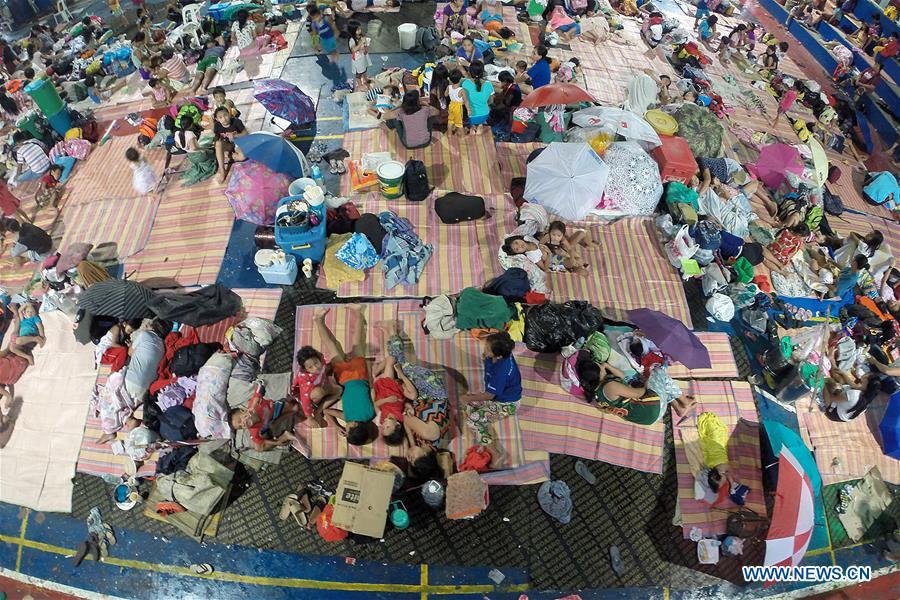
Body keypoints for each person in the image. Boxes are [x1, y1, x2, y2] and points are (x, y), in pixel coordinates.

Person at [315, 306, 378, 446]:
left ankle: (355, 313)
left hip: (356, 377)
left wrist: (336, 426)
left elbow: (326, 410)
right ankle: (320, 320)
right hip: (352, 377)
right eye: (348, 430)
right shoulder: (352, 417)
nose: (346, 428)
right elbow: (328, 411)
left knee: (349, 343)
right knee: (338, 345)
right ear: (355, 426)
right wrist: (337, 425)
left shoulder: (365, 416)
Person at [463, 332, 522, 444]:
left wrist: (467, 398)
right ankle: (481, 416)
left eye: (487, 349)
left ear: (498, 356)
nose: (484, 349)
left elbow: (490, 395)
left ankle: (495, 452)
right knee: (469, 403)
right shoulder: (503, 353)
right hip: (496, 395)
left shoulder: (501, 372)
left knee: (471, 421)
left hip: (507, 403)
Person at [230, 383, 300, 451]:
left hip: (277, 408)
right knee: (258, 448)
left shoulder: (254, 404)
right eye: (241, 427)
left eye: (240, 421)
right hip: (272, 423)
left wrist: (255, 403)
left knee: (295, 407)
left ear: (243, 410)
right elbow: (261, 441)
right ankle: (285, 436)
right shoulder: (253, 431)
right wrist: (277, 442)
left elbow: (260, 386)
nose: (243, 424)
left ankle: (291, 416)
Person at [292, 345, 341, 423]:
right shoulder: (305, 380)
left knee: (339, 390)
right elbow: (305, 400)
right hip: (306, 397)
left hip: (321, 384)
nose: (315, 368)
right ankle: (315, 411)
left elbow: (326, 366)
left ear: (318, 358)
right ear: (306, 369)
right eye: (310, 367)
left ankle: (318, 410)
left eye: (316, 363)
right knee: (319, 392)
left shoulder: (321, 360)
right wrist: (309, 417)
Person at [213, 107, 248, 182]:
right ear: (217, 119)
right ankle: (222, 171)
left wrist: (235, 136)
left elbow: (245, 133)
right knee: (218, 144)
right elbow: (217, 136)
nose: (224, 119)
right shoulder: (217, 125)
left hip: (238, 143)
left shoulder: (236, 122)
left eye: (225, 115)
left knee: (242, 157)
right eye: (220, 117)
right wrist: (215, 141)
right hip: (228, 144)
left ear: (229, 114)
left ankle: (229, 155)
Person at [461, 60, 493, 135]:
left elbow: (463, 100)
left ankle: (472, 127)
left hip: (470, 116)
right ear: (482, 72)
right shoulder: (488, 84)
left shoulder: (465, 83)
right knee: (480, 122)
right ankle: (480, 125)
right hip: (485, 114)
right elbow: (491, 101)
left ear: (470, 72)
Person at [347, 20, 371, 89]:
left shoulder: (361, 36)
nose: (360, 31)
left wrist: (366, 46)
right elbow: (353, 50)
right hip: (357, 59)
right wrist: (360, 43)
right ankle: (360, 84)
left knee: (365, 67)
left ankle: (365, 79)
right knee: (359, 72)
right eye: (358, 30)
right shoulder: (352, 39)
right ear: (352, 31)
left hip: (363, 56)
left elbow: (364, 45)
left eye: (360, 29)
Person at [447, 70, 466, 137]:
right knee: (459, 123)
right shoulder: (461, 90)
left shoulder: (449, 87)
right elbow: (465, 101)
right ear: (460, 79)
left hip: (451, 105)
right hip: (458, 107)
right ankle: (463, 136)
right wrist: (469, 109)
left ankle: (449, 134)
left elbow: (445, 94)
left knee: (450, 120)